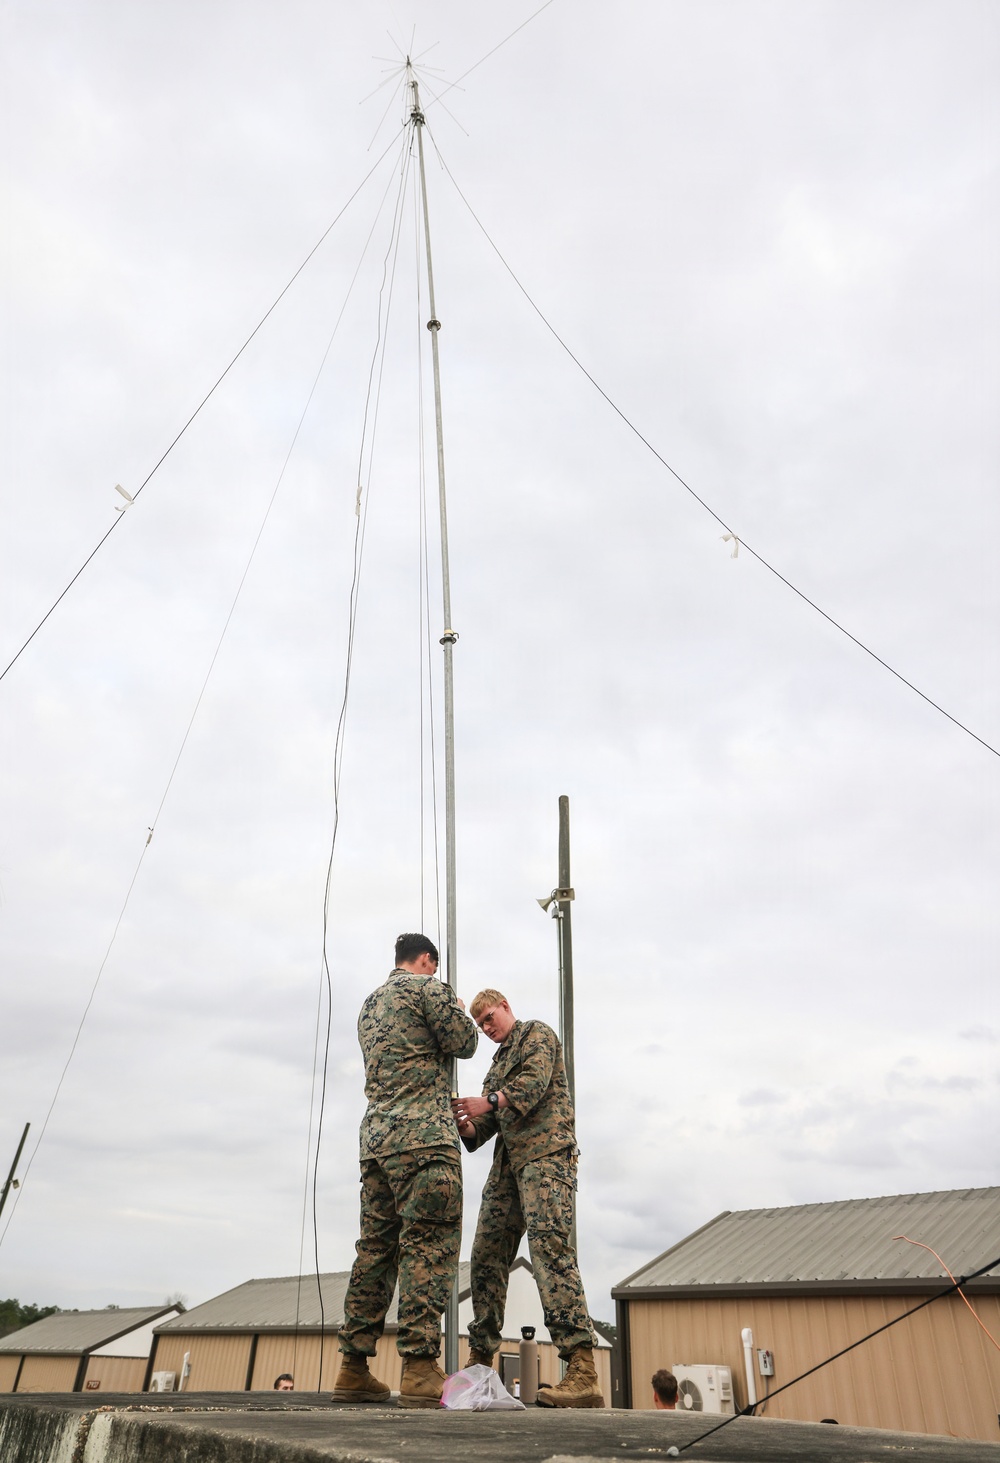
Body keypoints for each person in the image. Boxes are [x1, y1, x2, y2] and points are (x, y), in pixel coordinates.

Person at [332, 933, 478, 1409]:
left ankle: (353, 1367)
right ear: (427, 960)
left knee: (375, 1249)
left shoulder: (369, 1005)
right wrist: (457, 1008)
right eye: (434, 965)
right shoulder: (429, 989)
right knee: (427, 1245)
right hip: (424, 1141)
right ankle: (419, 1367)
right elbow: (465, 1042)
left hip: (376, 1144)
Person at [452, 990, 603, 1409]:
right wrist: (466, 1125)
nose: (487, 1027)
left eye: (489, 1017)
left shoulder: (537, 1034)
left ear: (505, 1007)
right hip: (509, 1167)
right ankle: (479, 1363)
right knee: (486, 1254)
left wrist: (488, 1101)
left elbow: (532, 1084)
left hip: (546, 1157)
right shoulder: (496, 1065)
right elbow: (484, 1129)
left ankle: (582, 1369)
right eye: (480, 1024)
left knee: (550, 1251)